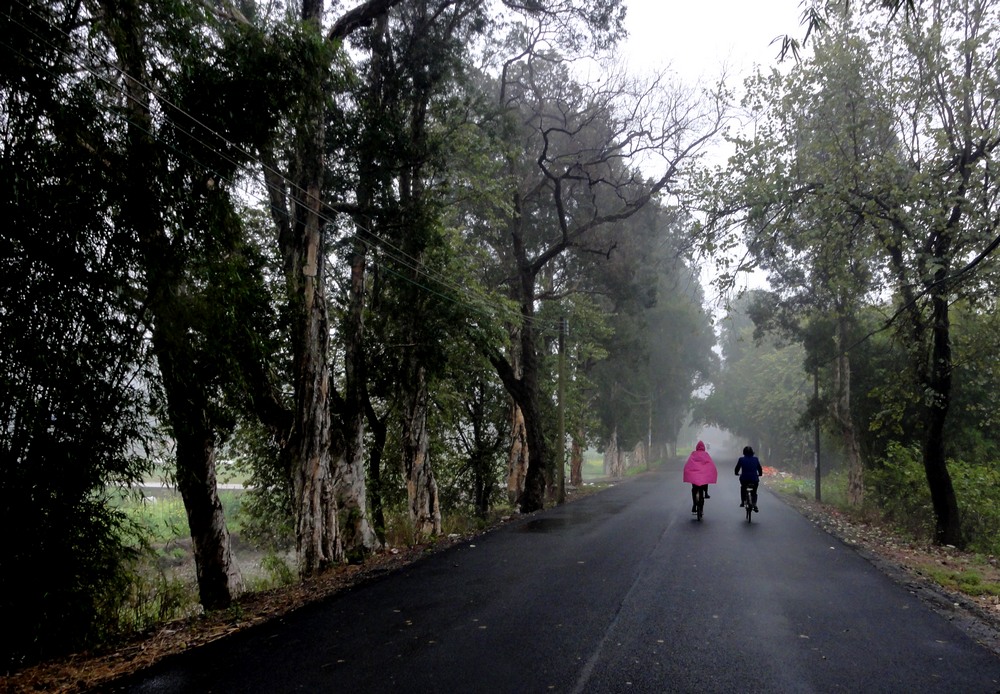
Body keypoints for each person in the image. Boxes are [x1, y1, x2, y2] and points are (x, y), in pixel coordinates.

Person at [683, 441, 718, 513]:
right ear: (704, 448)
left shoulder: (693, 454)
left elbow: (689, 464)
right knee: (705, 481)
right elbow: (710, 464)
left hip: (694, 477)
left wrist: (688, 472)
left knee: (694, 489)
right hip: (703, 476)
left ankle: (694, 505)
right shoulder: (706, 454)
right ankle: (706, 493)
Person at [735, 445, 764, 512]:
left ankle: (742, 502)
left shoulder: (741, 459)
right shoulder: (756, 459)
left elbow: (737, 468)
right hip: (754, 479)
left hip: (744, 479)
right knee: (754, 492)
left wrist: (736, 473)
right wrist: (760, 474)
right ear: (752, 452)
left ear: (744, 452)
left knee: (743, 488)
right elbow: (759, 468)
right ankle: (754, 504)